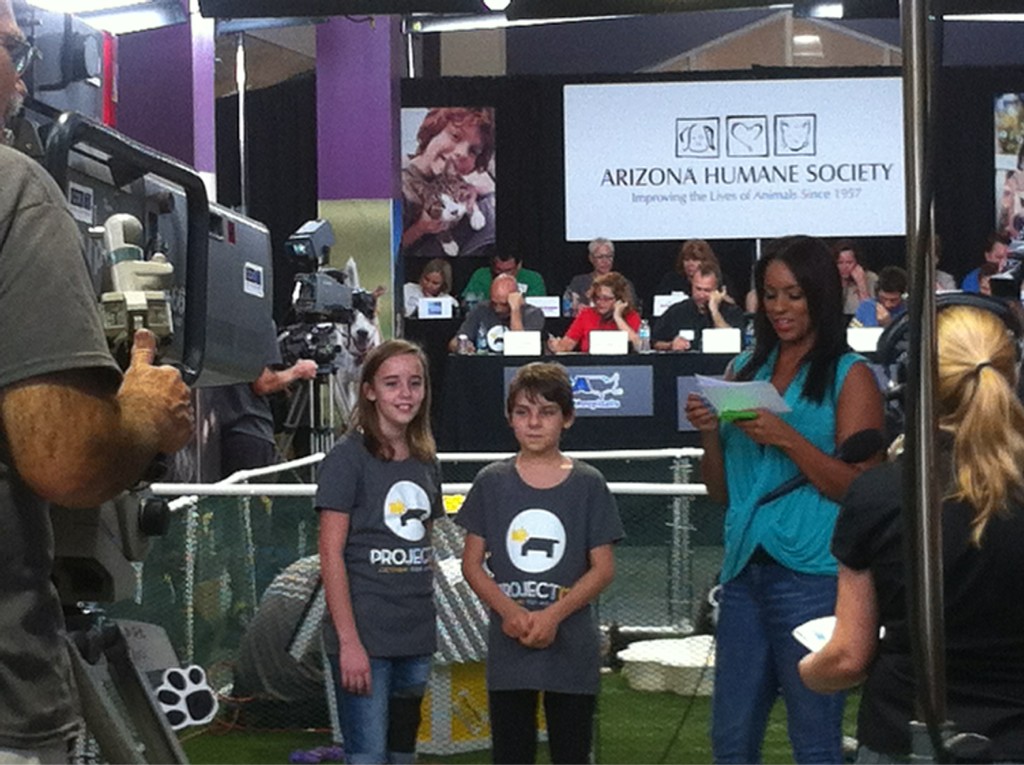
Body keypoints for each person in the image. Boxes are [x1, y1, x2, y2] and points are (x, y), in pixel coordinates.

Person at [0, 2, 195, 757]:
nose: (21, 80)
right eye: (12, 52)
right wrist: (141, 415)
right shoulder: (15, 190)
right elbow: (67, 459)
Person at [683, 235, 884, 764]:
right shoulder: (743, 369)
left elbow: (864, 490)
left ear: (818, 294)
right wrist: (708, 431)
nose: (779, 308)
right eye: (769, 295)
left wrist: (789, 438)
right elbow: (721, 492)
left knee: (815, 739)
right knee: (731, 739)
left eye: (793, 295)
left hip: (816, 575)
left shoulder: (851, 374)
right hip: (744, 571)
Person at [799, 303, 1024, 763]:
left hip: (903, 739)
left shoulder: (881, 494)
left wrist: (808, 671)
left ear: (915, 385)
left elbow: (846, 657)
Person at [456, 362, 623, 764]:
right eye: (522, 412)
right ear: (509, 418)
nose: (534, 423)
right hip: (510, 647)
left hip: (571, 650)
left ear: (567, 418)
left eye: (546, 412)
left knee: (571, 753)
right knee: (511, 754)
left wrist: (553, 616)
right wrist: (510, 611)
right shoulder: (491, 482)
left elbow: (602, 567)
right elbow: (472, 565)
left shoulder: (588, 484)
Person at [315, 339, 444, 765]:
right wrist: (350, 643)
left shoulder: (427, 460)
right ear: (369, 390)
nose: (405, 394)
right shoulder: (346, 459)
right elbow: (330, 555)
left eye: (414, 383)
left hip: (416, 635)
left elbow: (422, 543)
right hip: (365, 638)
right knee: (367, 757)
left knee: (402, 756)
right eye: (392, 384)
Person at [400, 107, 495, 259]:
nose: (462, 153)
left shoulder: (457, 181)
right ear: (433, 130)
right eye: (455, 136)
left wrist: (473, 191)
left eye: (473, 151)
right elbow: (383, 252)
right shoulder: (400, 185)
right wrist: (419, 229)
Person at [652, 261, 744, 351]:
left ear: (718, 290)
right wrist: (671, 345)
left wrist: (715, 311)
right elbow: (654, 342)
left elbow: (734, 343)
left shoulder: (732, 312)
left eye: (707, 290)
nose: (701, 295)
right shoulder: (677, 311)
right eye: (698, 289)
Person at [548, 272, 642, 354]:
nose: (600, 302)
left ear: (620, 299)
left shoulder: (631, 316)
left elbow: (637, 346)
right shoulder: (586, 314)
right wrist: (557, 346)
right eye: (597, 297)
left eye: (606, 299)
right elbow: (566, 346)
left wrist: (618, 317)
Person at [448, 273, 545, 353]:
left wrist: (515, 310)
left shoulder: (533, 314)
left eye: (503, 304)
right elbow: (453, 343)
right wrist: (462, 346)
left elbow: (521, 350)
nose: (498, 309)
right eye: (494, 303)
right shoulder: (480, 309)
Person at [563, 237, 638, 316]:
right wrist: (576, 308)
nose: (605, 261)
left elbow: (633, 310)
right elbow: (567, 309)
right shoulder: (579, 282)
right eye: (600, 257)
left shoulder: (623, 283)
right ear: (591, 258)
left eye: (609, 256)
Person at [460, 248, 546, 305]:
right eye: (499, 270)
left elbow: (538, 307)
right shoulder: (481, 275)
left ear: (519, 265)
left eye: (508, 270)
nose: (503, 274)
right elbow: (467, 302)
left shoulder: (533, 278)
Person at [833, 239, 878, 315]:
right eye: (840, 263)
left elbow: (870, 314)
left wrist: (861, 283)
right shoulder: (830, 278)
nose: (844, 267)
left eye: (849, 262)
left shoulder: (871, 278)